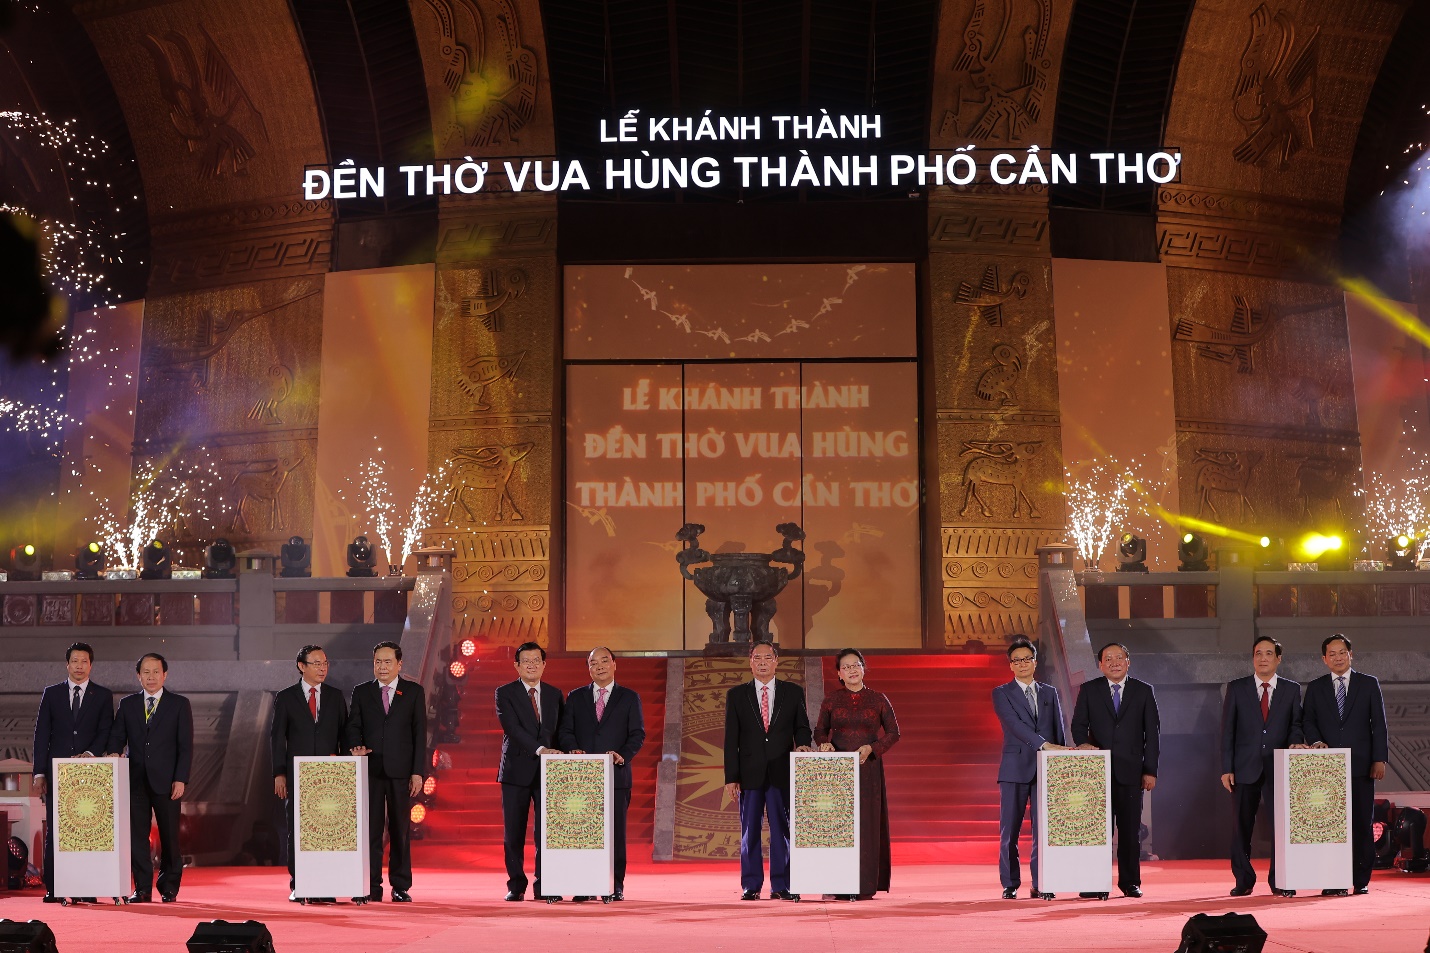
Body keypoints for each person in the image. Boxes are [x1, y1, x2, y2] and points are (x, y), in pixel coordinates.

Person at [723, 639, 812, 902]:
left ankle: (781, 884)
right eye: (757, 658)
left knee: (781, 830)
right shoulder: (737, 695)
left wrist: (804, 744)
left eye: (767, 658)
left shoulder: (792, 692)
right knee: (749, 832)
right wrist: (731, 777)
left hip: (781, 771)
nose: (762, 662)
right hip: (749, 775)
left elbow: (802, 727)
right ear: (750, 662)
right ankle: (751, 885)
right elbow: (731, 740)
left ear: (776, 661)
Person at [1302, 633, 1389, 896]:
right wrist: (1316, 742)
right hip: (1328, 770)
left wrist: (1379, 759)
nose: (1338, 658)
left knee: (1362, 824)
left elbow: (1379, 725)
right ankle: (1334, 880)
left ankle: (1360, 880)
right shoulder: (1316, 687)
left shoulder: (1368, 684)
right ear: (1324, 659)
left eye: (1342, 652)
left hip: (1362, 765)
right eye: (1332, 654)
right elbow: (1308, 721)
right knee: (1332, 828)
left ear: (1351, 654)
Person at [1071, 641, 1159, 898]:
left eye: (1119, 657)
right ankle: (1095, 882)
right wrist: (1084, 744)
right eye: (1107, 659)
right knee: (1098, 831)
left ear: (1128, 661)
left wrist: (1150, 770)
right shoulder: (1089, 690)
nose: (1114, 662)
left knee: (1130, 831)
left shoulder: (1143, 691)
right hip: (1096, 774)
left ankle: (1130, 882)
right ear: (1100, 664)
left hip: (1132, 772)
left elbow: (1152, 735)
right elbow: (1078, 725)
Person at [557, 646, 646, 902]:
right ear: (588, 668)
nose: (600, 666)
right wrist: (572, 749)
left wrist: (622, 755)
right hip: (582, 778)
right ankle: (584, 884)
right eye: (593, 663)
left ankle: (614, 885)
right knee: (584, 835)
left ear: (614, 664)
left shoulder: (629, 697)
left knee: (615, 834)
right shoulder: (575, 697)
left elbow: (637, 734)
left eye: (605, 661)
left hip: (615, 776)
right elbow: (565, 730)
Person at [1221, 635, 1304, 897]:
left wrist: (1294, 745)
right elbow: (1227, 732)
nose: (1263, 658)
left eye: (1269, 653)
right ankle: (1243, 880)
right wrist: (1227, 767)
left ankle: (1279, 879)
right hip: (1244, 768)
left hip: (1278, 769)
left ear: (1278, 659)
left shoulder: (1291, 690)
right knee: (1241, 827)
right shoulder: (1237, 688)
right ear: (1253, 658)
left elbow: (1296, 726)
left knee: (1281, 827)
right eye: (1258, 653)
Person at [813, 648, 900, 900]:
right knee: (839, 827)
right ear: (839, 673)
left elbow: (894, 733)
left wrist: (873, 748)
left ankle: (864, 885)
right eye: (846, 666)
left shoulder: (878, 699)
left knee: (866, 825)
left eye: (856, 665)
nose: (852, 670)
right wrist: (824, 744)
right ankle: (837, 883)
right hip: (837, 772)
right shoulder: (831, 700)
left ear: (863, 668)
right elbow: (820, 730)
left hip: (867, 768)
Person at [106, 652, 193, 903]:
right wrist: (113, 753)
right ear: (138, 676)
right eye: (146, 672)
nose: (151, 676)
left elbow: (185, 746)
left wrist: (181, 778)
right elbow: (116, 737)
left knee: (169, 837)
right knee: (137, 837)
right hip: (134, 781)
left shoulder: (179, 704)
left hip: (167, 782)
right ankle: (142, 888)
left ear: (165, 674)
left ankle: (169, 886)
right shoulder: (128, 704)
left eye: (156, 671)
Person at [32, 641, 114, 902]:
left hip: (91, 775)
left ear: (91, 665)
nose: (79, 666)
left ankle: (87, 889)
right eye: (75, 661)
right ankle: (54, 887)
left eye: (84, 661)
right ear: (67, 664)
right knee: (56, 830)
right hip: (58, 774)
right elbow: (42, 734)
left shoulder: (102, 695)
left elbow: (106, 731)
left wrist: (89, 755)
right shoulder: (52, 693)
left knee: (87, 832)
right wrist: (39, 772)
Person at [345, 640, 426, 903]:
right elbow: (353, 726)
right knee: (371, 830)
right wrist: (354, 746)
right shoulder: (361, 692)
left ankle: (400, 885)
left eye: (388, 661)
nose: (382, 666)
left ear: (399, 664)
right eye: (378, 661)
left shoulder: (413, 692)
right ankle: (370, 884)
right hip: (370, 769)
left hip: (402, 771)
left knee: (400, 829)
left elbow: (419, 733)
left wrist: (417, 772)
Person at [271, 643, 348, 901]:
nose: (322, 668)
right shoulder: (286, 697)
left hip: (329, 778)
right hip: (296, 776)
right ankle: (299, 883)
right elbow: (277, 738)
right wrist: (279, 773)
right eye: (316, 663)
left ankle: (326, 885)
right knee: (298, 830)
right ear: (301, 666)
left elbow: (344, 735)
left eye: (325, 663)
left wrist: (344, 762)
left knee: (328, 831)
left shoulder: (336, 696)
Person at [992, 636, 1066, 900]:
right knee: (1009, 830)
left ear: (1035, 662)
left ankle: (1042, 881)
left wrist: (1062, 760)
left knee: (1044, 830)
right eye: (1016, 660)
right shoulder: (1001, 693)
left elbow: (1059, 729)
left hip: (1046, 770)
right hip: (1014, 768)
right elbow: (1014, 725)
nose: (1022, 664)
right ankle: (1010, 883)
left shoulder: (1049, 692)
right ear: (1010, 666)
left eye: (1027, 659)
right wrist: (1044, 745)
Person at [496, 640, 564, 902]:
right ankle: (516, 884)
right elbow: (512, 729)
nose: (532, 665)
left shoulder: (554, 693)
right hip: (515, 770)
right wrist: (540, 750)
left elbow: (560, 731)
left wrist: (566, 753)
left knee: (546, 831)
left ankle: (545, 884)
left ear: (544, 664)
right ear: (517, 665)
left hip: (550, 772)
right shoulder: (505, 693)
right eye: (526, 661)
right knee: (514, 831)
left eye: (537, 661)